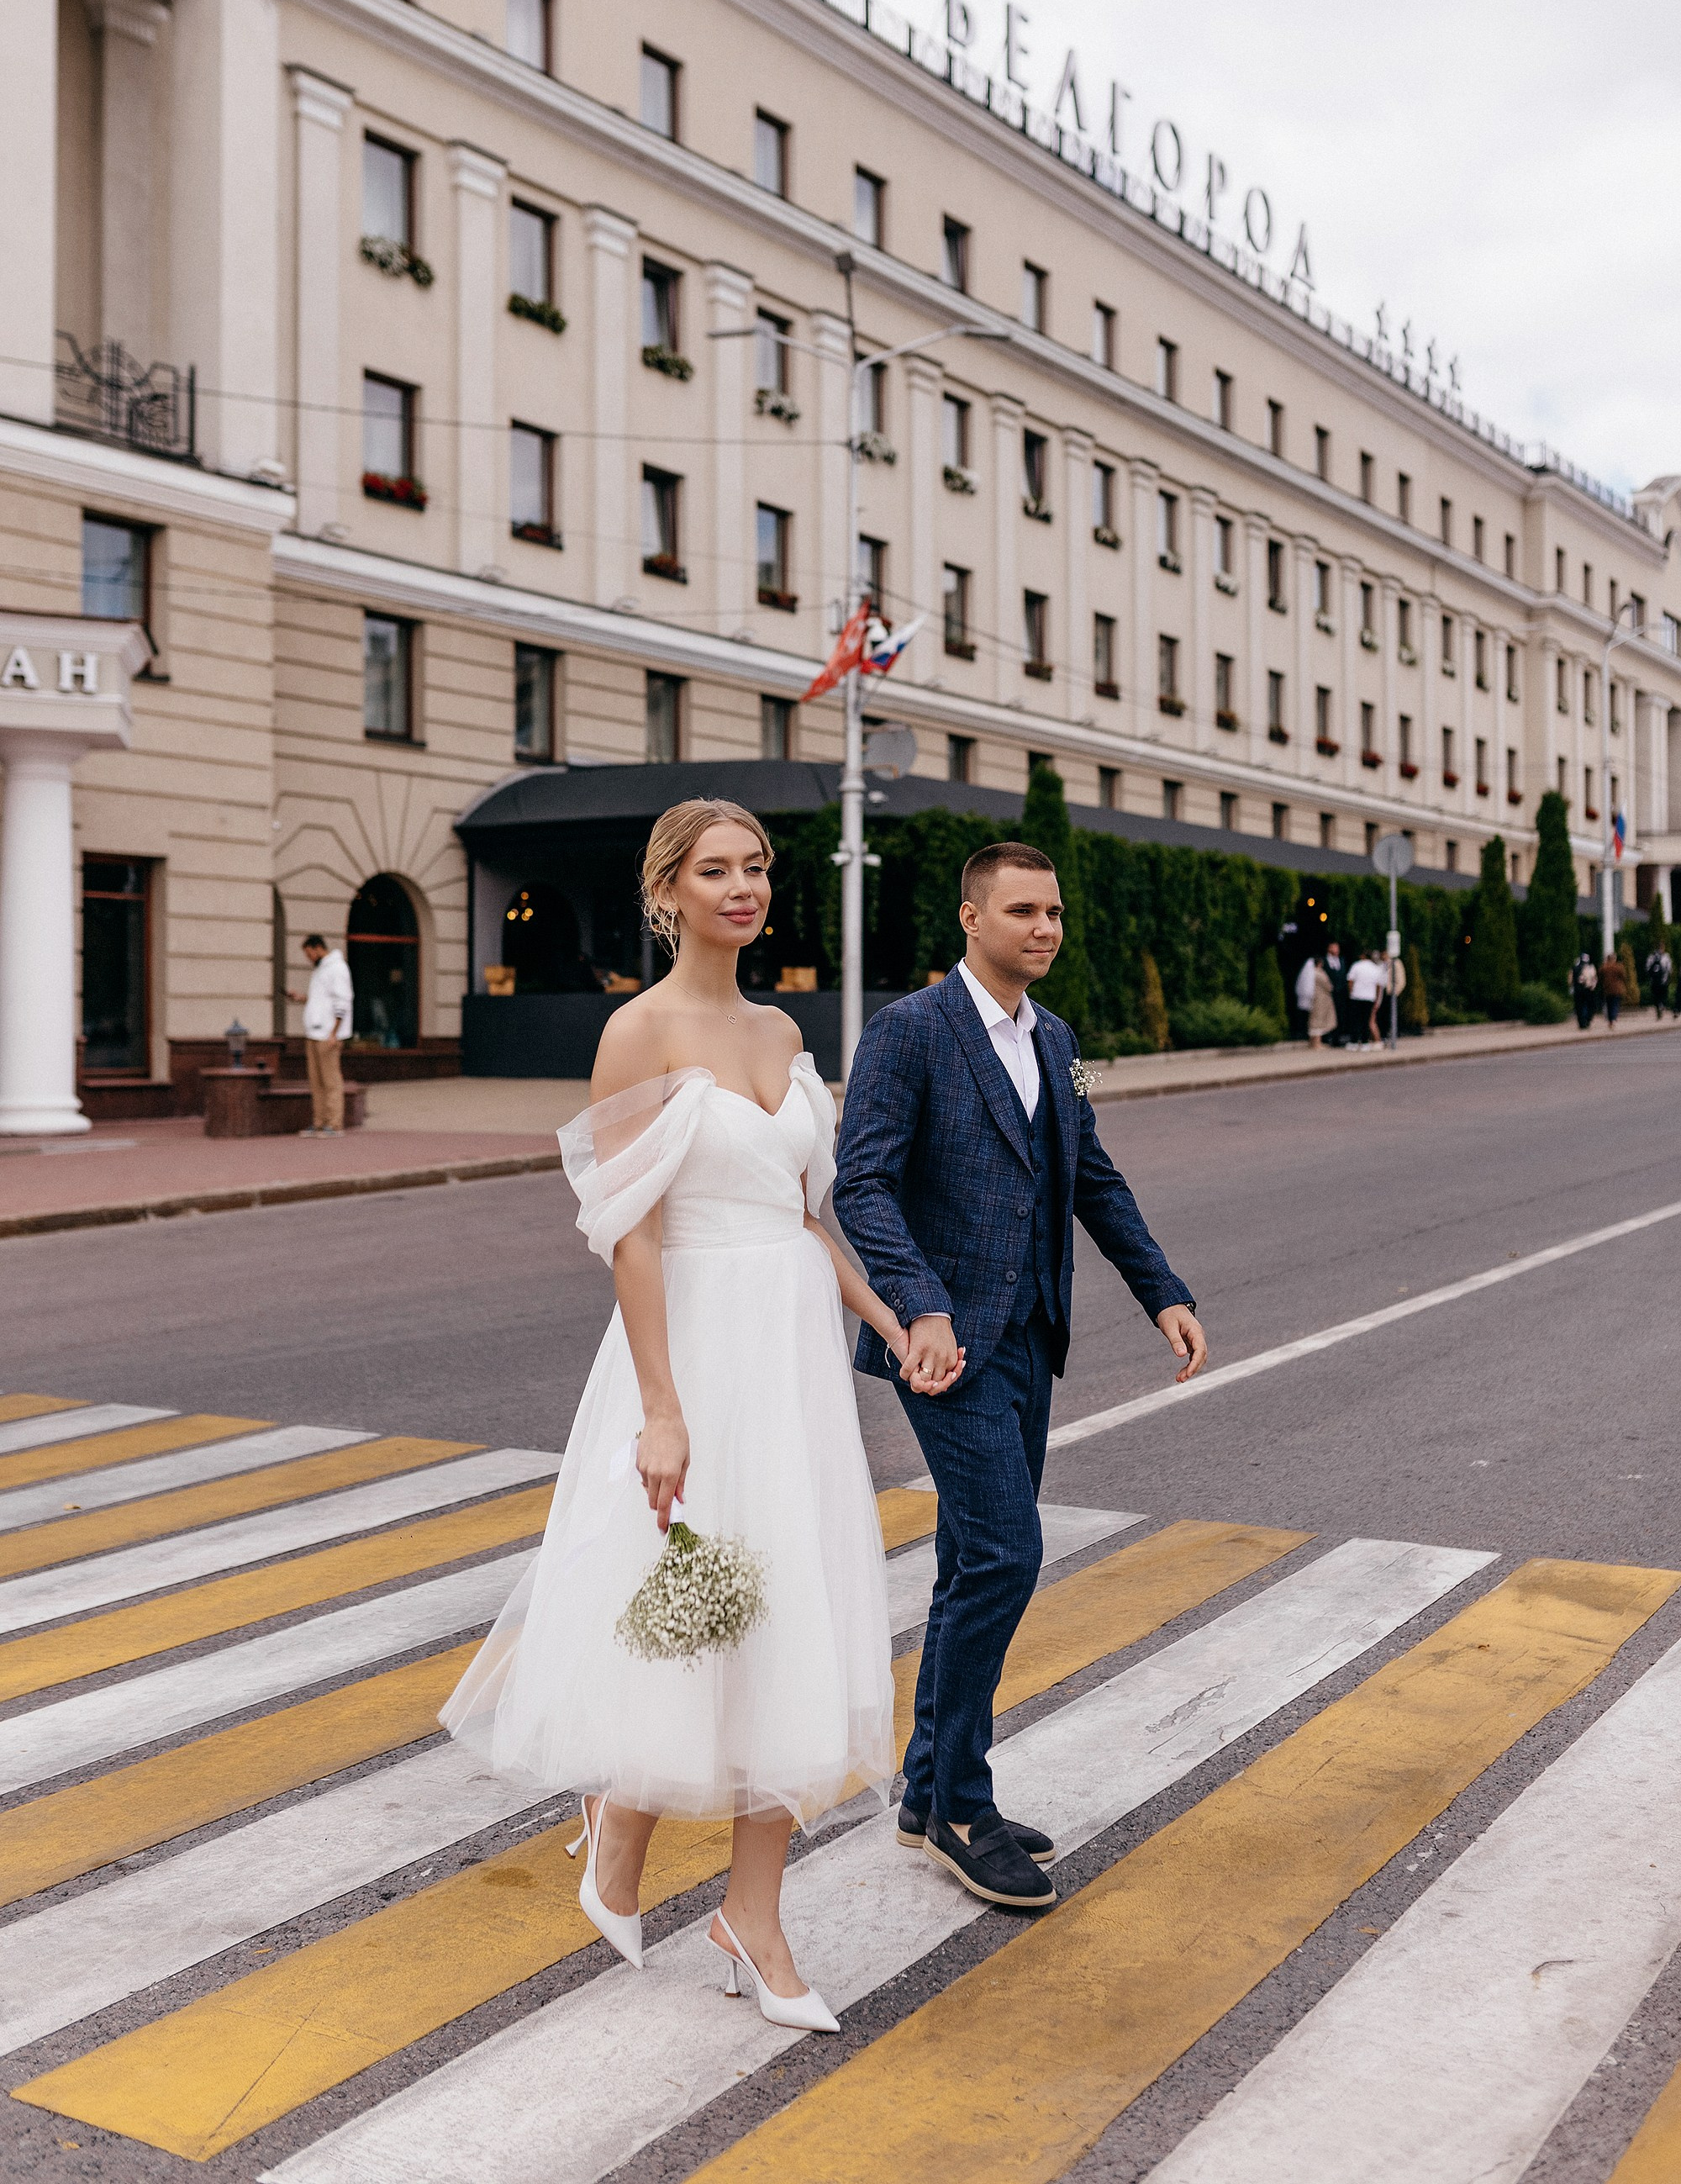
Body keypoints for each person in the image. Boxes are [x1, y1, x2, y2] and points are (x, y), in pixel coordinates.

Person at [441, 799, 914, 2032]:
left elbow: (810, 1211)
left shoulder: (783, 1025)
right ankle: (618, 1824)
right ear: (669, 893)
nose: (745, 888)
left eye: (757, 868)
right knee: (690, 1607)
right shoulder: (636, 1032)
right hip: (694, 1343)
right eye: (718, 871)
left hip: (795, 1348)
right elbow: (632, 1234)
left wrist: (893, 1317)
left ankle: (752, 1916)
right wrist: (661, 1408)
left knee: (792, 1614)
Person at [832, 840, 1205, 1913]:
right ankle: (958, 1806)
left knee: (969, 1558)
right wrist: (922, 1304)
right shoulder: (909, 1031)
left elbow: (1088, 1172)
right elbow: (861, 1188)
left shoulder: (1057, 1037)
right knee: (1003, 1550)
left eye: (1053, 913)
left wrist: (1160, 1291)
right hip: (942, 1347)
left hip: (1031, 1336)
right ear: (969, 918)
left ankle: (922, 1790)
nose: (1043, 928)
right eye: (1022, 911)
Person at [296, 931, 353, 1135]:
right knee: (316, 1082)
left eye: (310, 954)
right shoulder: (320, 970)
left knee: (331, 1081)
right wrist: (303, 998)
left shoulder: (337, 968)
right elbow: (322, 1000)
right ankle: (319, 1122)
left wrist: (334, 1033)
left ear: (318, 948)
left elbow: (342, 1001)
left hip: (328, 1035)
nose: (309, 958)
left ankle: (334, 1124)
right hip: (314, 1033)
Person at [1345, 947, 1384, 1047]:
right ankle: (1365, 1042)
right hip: (1369, 997)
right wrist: (1376, 998)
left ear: (1362, 956)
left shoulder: (1356, 966)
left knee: (1355, 1020)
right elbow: (1378, 985)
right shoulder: (1375, 968)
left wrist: (1351, 992)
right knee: (1366, 1020)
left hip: (1357, 996)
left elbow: (1350, 980)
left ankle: (1354, 1042)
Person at [1305, 955, 1337, 1049]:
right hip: (1320, 999)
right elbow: (1328, 985)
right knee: (1319, 1019)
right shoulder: (1318, 973)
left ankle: (1312, 1042)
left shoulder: (1310, 973)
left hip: (1315, 998)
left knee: (1313, 1018)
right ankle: (1317, 1043)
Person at [1323, 939, 1350, 1045]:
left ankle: (1336, 1038)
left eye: (1337, 948)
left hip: (1341, 993)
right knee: (1327, 1014)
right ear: (1329, 948)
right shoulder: (1324, 961)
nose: (1336, 950)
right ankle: (1325, 1037)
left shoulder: (1342, 960)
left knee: (1339, 1015)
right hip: (1329, 993)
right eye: (1334, 947)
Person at [1294, 951, 1320, 1041]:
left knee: (1304, 1016)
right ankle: (1304, 1034)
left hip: (1305, 997)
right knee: (1306, 1017)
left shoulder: (1306, 970)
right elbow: (1309, 986)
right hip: (1308, 997)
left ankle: (1303, 1033)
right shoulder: (1311, 972)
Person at [1643, 943, 1673, 1019]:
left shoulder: (1652, 957)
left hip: (1654, 981)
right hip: (1663, 980)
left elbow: (1647, 968)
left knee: (1656, 996)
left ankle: (1658, 1008)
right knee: (1663, 995)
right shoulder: (1666, 957)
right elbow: (1669, 969)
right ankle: (1661, 1006)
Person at [1570, 952, 1599, 1031]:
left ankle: (1582, 1023)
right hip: (1588, 989)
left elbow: (1570, 979)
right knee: (1590, 1006)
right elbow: (1594, 979)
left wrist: (1572, 987)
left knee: (1579, 1007)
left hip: (1578, 990)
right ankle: (1587, 1020)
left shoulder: (1575, 968)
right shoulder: (1590, 968)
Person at [1600, 948, 1628, 1026]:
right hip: (1617, 989)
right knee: (1615, 1004)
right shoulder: (1618, 967)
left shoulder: (1604, 967)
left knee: (1609, 1005)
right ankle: (1613, 1018)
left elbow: (1600, 977)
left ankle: (1610, 1020)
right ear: (1614, 959)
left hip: (1607, 989)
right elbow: (1624, 976)